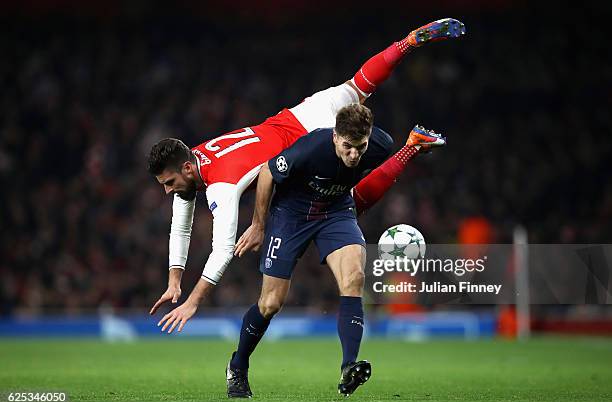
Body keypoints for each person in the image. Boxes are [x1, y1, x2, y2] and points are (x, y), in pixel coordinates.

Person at [150, 18, 465, 332]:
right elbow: (181, 225)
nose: (168, 191)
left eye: (169, 183)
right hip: (302, 113)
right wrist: (174, 281)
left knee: (346, 202)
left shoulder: (221, 186)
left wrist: (193, 301)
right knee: (358, 86)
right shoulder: (194, 154)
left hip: (311, 142)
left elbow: (222, 251)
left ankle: (410, 147)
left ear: (187, 168)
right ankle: (408, 42)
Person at [225, 104, 445, 398]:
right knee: (270, 303)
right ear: (334, 137)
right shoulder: (312, 147)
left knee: (354, 277)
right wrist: (258, 225)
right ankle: (238, 365)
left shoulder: (378, 144)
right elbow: (267, 172)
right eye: (347, 147)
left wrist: (409, 150)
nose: (354, 154)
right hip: (291, 215)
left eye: (360, 147)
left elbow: (380, 175)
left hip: (336, 212)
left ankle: (348, 366)